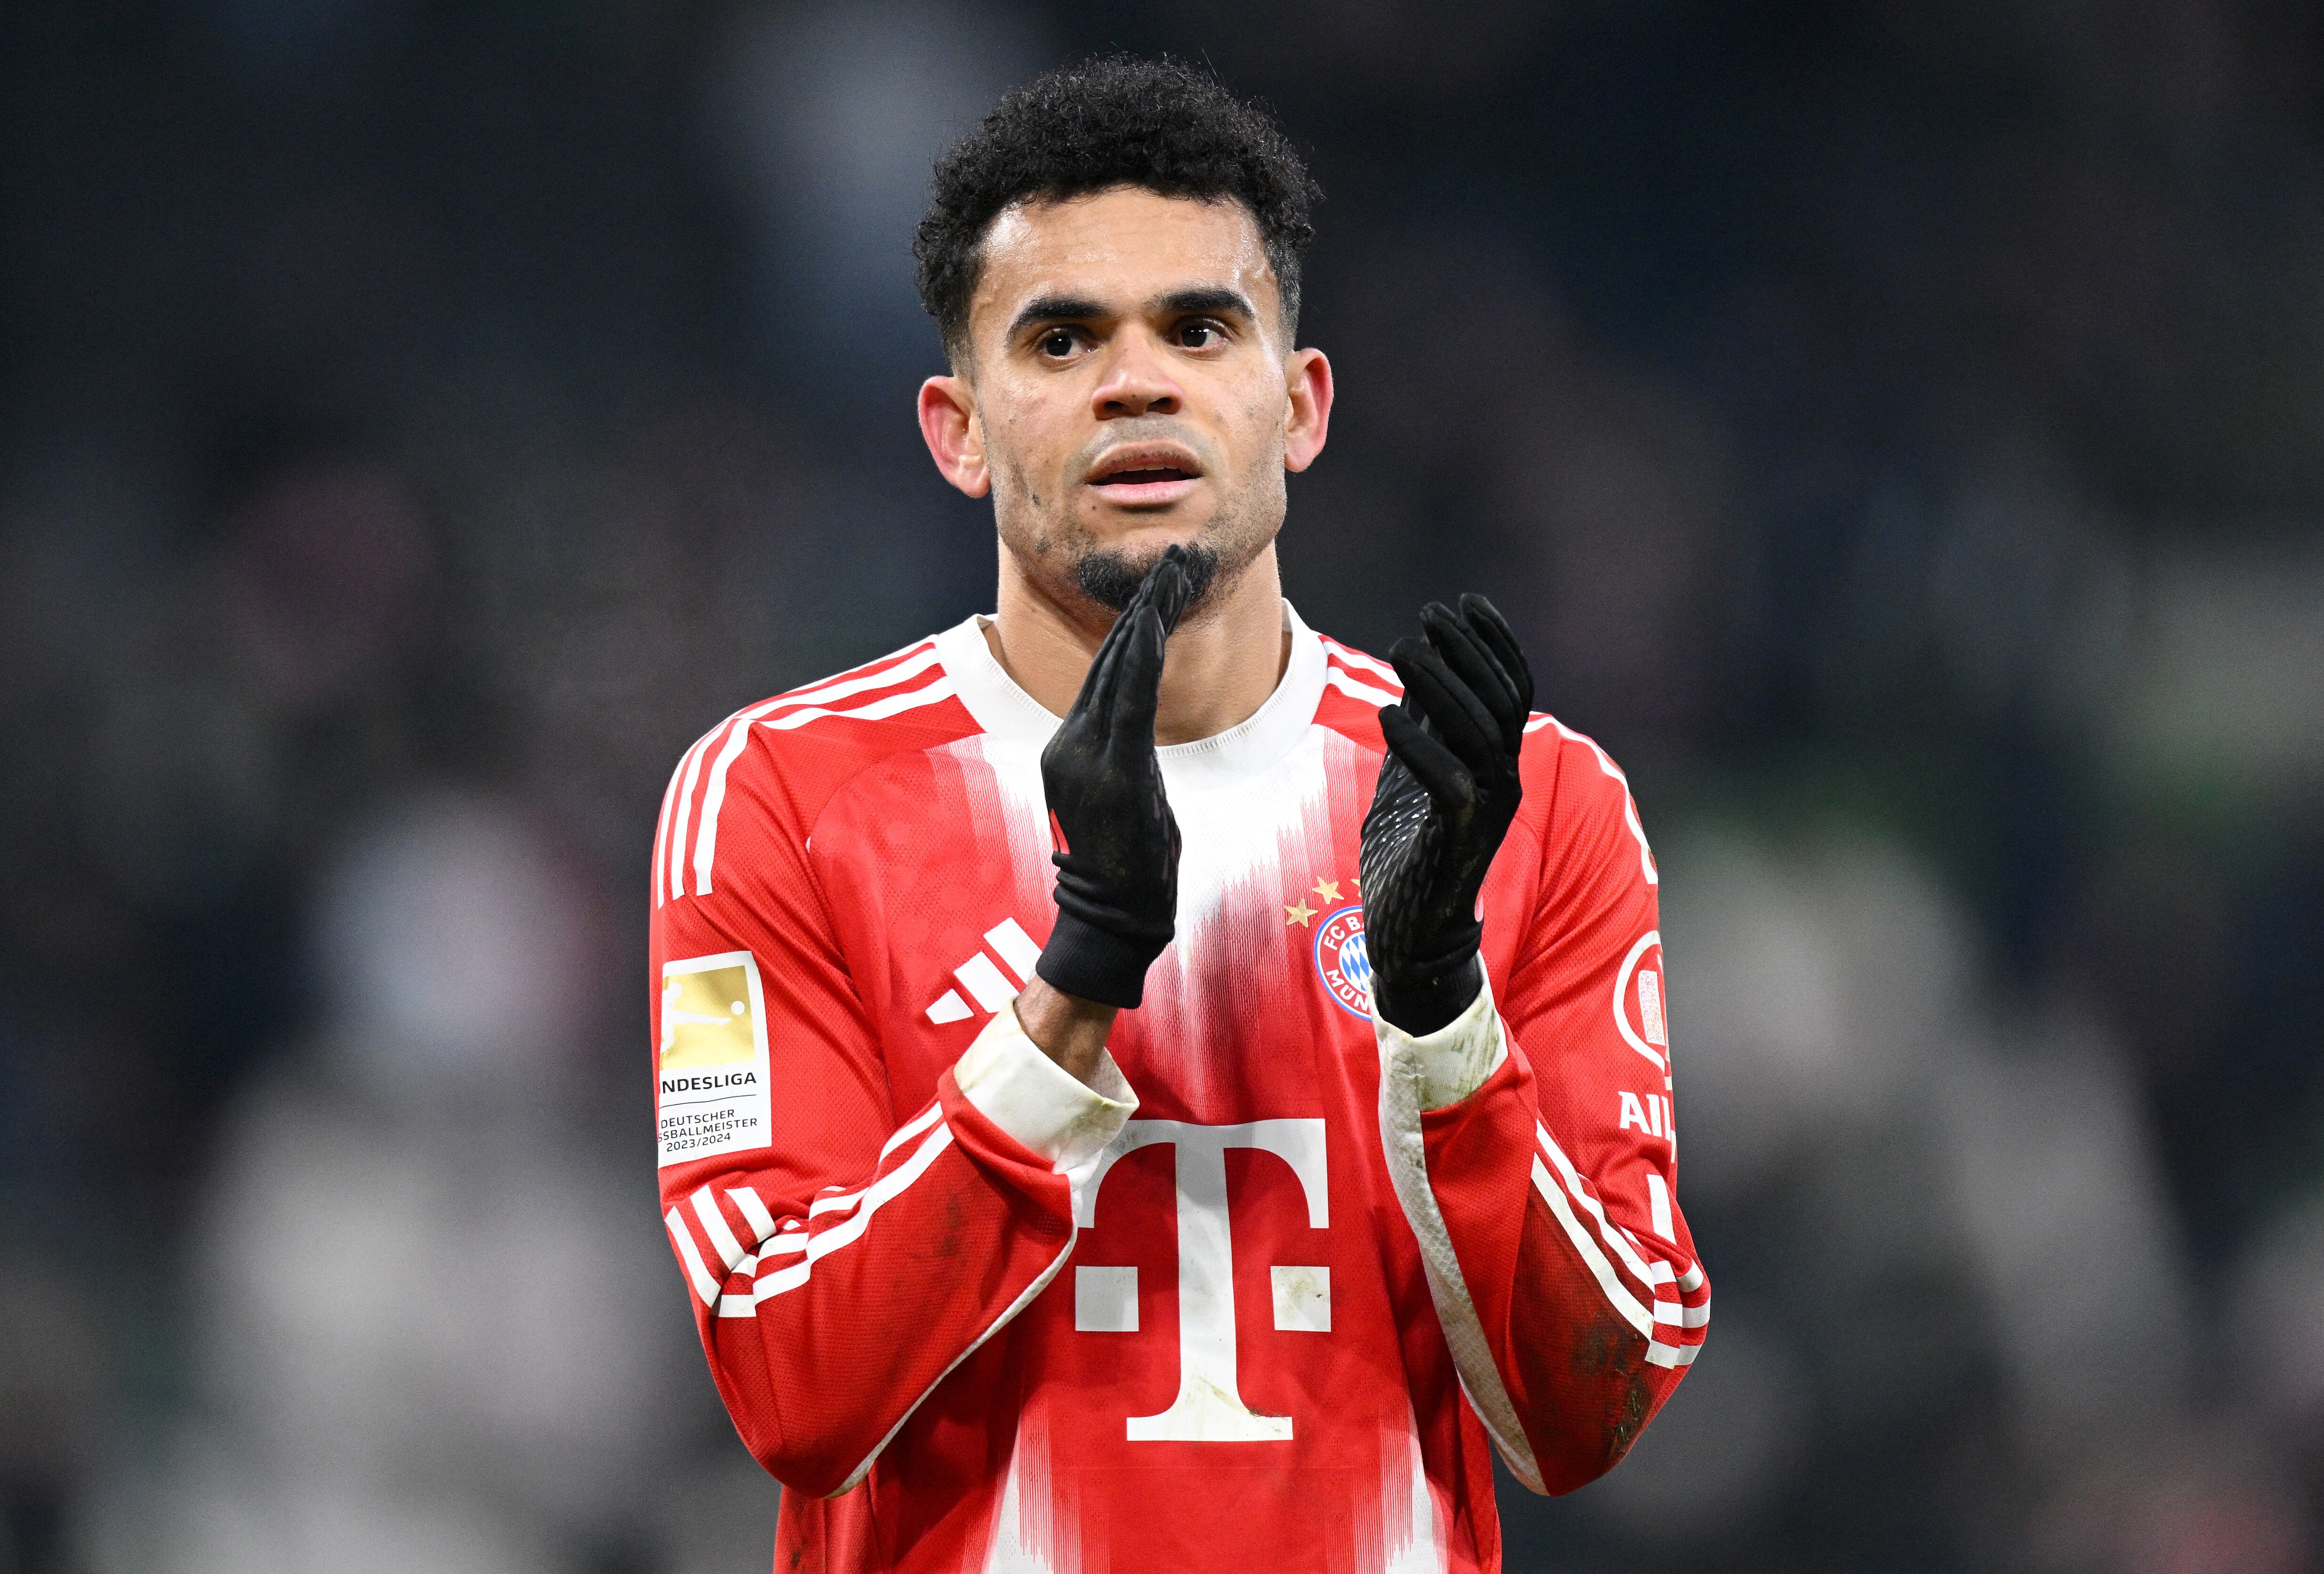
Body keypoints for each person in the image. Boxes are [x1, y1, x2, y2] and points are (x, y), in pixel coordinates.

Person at [650, 55, 1704, 1574]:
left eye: (1200, 327)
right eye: (1062, 336)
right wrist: (1073, 989)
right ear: (955, 430)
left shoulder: (1524, 807)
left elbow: (1584, 1414)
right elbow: (788, 1382)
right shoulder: (777, 799)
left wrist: (1441, 1009)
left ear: (1302, 403)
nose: (1136, 379)